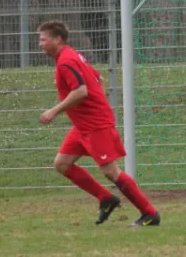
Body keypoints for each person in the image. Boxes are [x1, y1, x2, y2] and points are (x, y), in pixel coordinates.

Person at [37, 20, 160, 227]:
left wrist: (54, 111)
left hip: (95, 125)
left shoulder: (66, 61)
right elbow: (98, 79)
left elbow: (81, 91)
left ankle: (149, 214)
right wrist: (96, 105)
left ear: (57, 39)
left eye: (43, 39)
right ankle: (106, 198)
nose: (40, 44)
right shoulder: (71, 56)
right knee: (62, 164)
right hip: (85, 125)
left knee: (111, 172)